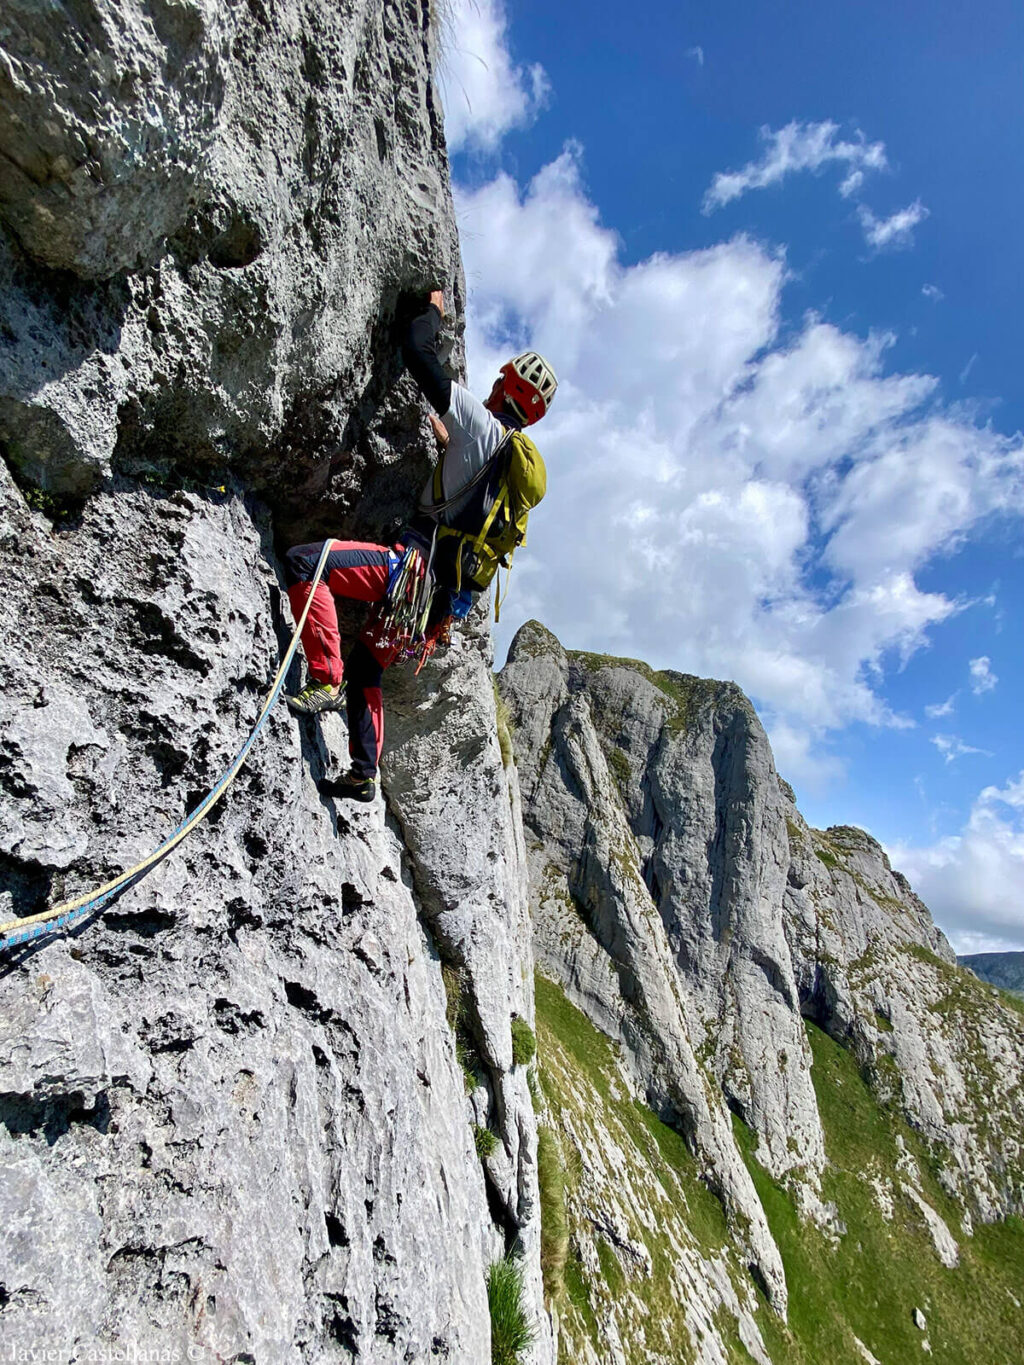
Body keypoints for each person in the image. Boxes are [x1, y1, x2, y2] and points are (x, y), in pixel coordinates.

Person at [282, 290, 557, 802]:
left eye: (499, 382)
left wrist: (434, 311)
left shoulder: (480, 422)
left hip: (407, 570)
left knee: (306, 564)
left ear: (503, 386)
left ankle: (324, 679)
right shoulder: (510, 471)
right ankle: (364, 771)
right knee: (369, 666)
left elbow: (416, 352)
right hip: (430, 607)